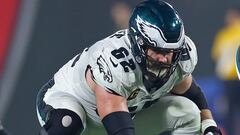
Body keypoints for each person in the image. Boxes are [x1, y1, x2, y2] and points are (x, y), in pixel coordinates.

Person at [36, 0, 222, 135]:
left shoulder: (180, 58)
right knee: (67, 123)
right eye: (157, 50)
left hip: (125, 115)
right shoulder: (115, 62)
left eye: (170, 52)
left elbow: (191, 92)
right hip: (71, 103)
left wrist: (209, 123)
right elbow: (118, 124)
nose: (165, 59)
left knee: (187, 113)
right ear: (138, 44)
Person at [211, 6, 240, 135]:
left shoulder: (224, 34)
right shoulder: (224, 34)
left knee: (229, 112)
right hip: (230, 80)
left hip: (229, 79)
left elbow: (216, 54)